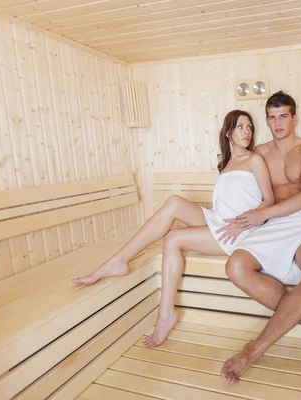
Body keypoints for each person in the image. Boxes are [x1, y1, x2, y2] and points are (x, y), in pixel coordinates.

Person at [71, 110, 275, 348]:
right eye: (241, 127)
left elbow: (269, 200)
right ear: (229, 132)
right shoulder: (226, 162)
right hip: (220, 219)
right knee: (174, 202)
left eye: (249, 127)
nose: (247, 132)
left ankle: (166, 314)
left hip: (238, 231)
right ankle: (119, 260)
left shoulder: (255, 160)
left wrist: (245, 223)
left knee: (173, 238)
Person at [217, 91, 301, 385]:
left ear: (294, 117)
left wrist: (264, 213)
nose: (277, 123)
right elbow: (236, 177)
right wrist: (236, 219)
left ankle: (251, 352)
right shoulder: (259, 152)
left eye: (283, 115)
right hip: (273, 224)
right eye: (272, 117)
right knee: (235, 266)